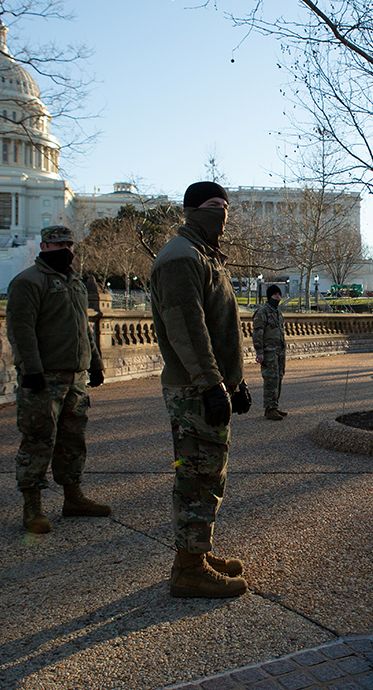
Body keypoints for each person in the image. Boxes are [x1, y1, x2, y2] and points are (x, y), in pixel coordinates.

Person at [149, 181, 254, 599]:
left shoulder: (205, 256)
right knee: (196, 478)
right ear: (192, 210)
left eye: (226, 206)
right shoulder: (181, 258)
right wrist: (211, 386)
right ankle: (189, 570)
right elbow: (188, 332)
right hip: (194, 389)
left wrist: (236, 382)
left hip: (208, 386)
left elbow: (221, 328)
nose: (222, 213)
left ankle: (195, 553)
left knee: (208, 474)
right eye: (213, 206)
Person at [5, 225, 111, 534]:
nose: (65, 249)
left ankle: (73, 496)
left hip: (75, 376)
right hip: (44, 377)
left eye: (68, 243)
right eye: (57, 244)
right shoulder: (28, 282)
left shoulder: (76, 282)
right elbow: (21, 330)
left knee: (72, 440)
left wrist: (95, 363)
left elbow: (83, 327)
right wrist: (32, 370)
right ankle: (33, 505)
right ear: (43, 246)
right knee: (38, 439)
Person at [253, 284, 288, 420]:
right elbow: (257, 333)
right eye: (275, 295)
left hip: (279, 350)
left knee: (278, 378)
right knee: (270, 379)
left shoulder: (278, 312)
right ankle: (269, 408)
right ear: (269, 296)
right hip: (269, 351)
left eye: (279, 294)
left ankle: (275, 405)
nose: (278, 297)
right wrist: (259, 352)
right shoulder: (262, 312)